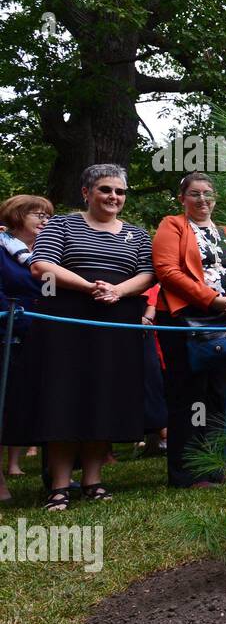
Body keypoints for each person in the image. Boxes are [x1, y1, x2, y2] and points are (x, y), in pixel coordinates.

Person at [20, 165, 154, 511]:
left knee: (104, 400)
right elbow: (40, 265)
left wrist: (117, 292)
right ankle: (60, 486)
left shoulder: (138, 235)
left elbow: (148, 273)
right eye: (105, 190)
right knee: (62, 400)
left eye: (120, 192)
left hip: (116, 325)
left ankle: (94, 480)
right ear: (86, 192)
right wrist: (90, 287)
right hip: (65, 322)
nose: (114, 197)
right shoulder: (62, 224)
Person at [152, 172, 226, 488]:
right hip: (185, 319)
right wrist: (213, 300)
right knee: (189, 395)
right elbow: (167, 271)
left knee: (220, 394)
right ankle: (187, 473)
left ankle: (213, 466)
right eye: (195, 194)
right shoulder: (173, 225)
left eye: (208, 194)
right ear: (182, 199)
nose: (202, 200)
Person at [0, 195, 52, 500]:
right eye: (38, 215)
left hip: (48, 339)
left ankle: (54, 477)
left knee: (44, 406)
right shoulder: (3, 251)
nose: (45, 221)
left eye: (48, 216)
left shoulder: (50, 253)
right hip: (10, 337)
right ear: (18, 217)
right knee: (4, 407)